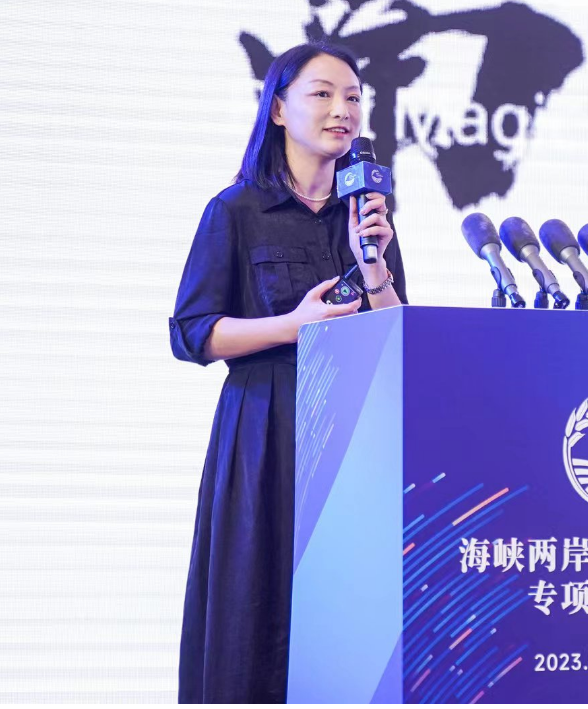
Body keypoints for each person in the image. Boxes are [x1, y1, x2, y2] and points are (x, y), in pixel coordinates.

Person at [168, 42, 406, 703]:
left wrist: (374, 262)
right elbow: (192, 333)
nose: (342, 110)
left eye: (353, 97)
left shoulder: (367, 217)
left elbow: (397, 333)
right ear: (277, 109)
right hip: (266, 428)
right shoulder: (236, 210)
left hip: (352, 432)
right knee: (258, 597)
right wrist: (292, 327)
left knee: (347, 609)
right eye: (322, 94)